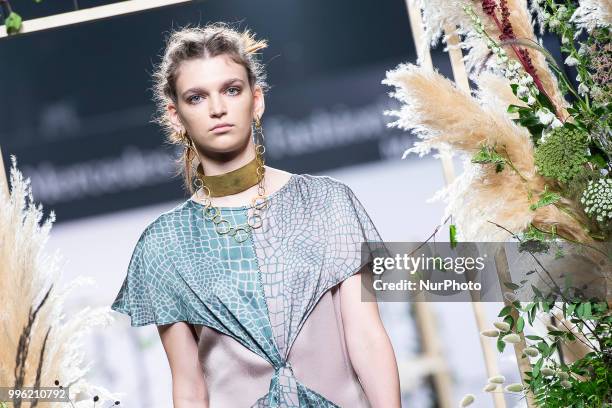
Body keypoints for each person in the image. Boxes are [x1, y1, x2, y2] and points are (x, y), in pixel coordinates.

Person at [111, 22, 401, 408]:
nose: (217, 108)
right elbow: (189, 387)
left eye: (231, 90)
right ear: (176, 116)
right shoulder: (164, 244)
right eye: (196, 97)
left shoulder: (327, 201)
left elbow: (366, 337)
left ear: (257, 99)